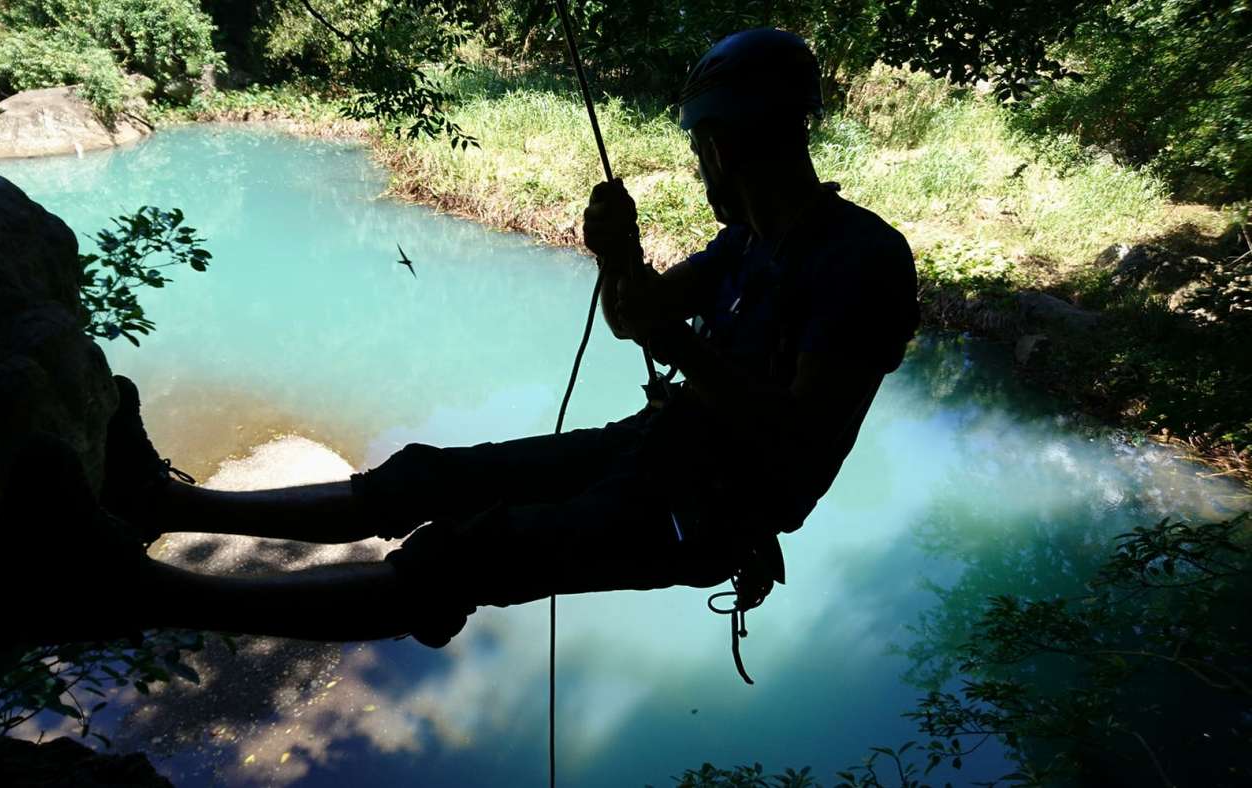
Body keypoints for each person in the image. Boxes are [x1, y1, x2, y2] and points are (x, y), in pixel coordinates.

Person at [104, 28, 920, 650]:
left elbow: (801, 437)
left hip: (702, 514)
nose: (700, 164)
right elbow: (636, 320)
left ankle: (145, 596)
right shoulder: (743, 244)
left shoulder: (860, 260)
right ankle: (166, 504)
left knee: (459, 561)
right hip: (656, 448)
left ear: (722, 142)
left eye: (699, 146)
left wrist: (683, 345)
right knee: (427, 476)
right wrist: (618, 257)